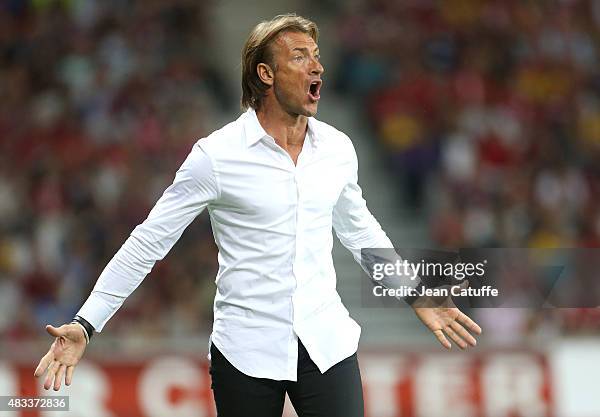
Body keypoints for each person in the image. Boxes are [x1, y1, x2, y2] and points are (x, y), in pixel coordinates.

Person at [34, 14, 481, 417]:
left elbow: (360, 232)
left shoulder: (338, 149)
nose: (317, 67)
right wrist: (88, 322)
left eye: (317, 57)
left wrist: (415, 293)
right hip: (245, 351)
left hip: (326, 342)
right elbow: (149, 241)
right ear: (265, 74)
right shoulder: (216, 156)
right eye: (300, 57)